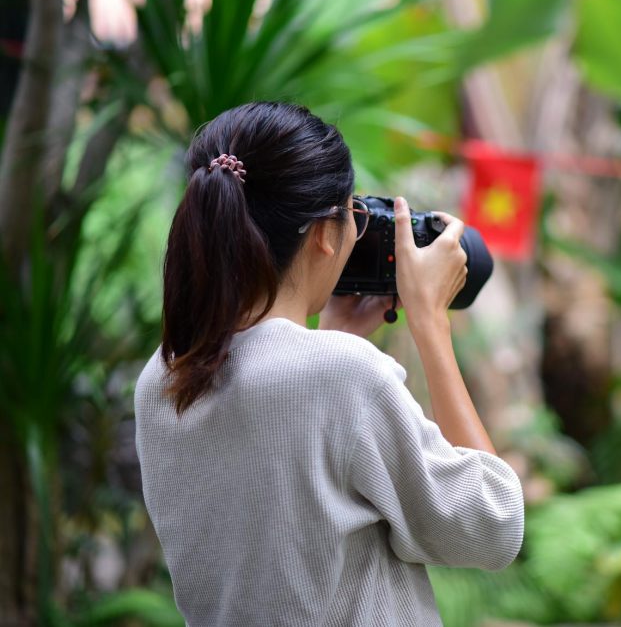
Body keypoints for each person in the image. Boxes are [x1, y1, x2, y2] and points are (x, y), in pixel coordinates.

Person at [134, 102, 524, 626]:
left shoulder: (162, 377)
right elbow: (493, 525)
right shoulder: (340, 375)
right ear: (323, 232)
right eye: (353, 215)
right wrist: (430, 322)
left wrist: (332, 336)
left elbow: (289, 521)